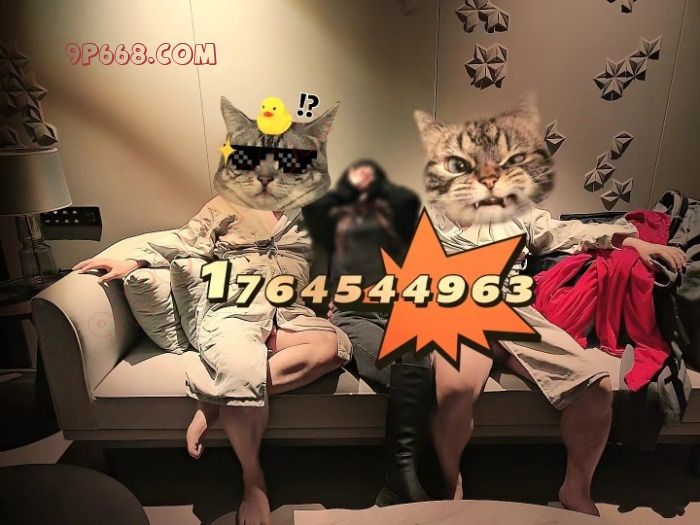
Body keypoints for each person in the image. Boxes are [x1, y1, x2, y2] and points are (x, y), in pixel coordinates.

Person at [74, 97, 351, 525]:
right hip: (234, 306)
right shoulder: (226, 205)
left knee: (331, 348)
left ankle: (214, 400)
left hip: (287, 312)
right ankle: (253, 480)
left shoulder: (313, 214)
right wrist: (133, 260)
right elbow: (184, 239)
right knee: (240, 363)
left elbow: (334, 261)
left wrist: (333, 295)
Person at [412, 95, 687, 515]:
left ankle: (576, 490)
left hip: (514, 310)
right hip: (457, 308)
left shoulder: (520, 214)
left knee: (596, 388)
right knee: (455, 390)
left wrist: (632, 241)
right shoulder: (433, 215)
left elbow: (573, 232)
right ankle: (451, 488)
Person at [304, 159, 434, 506]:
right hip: (354, 316)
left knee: (420, 358)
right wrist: (323, 308)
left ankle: (407, 479)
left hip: (398, 316)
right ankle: (399, 482)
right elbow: (315, 282)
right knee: (406, 371)